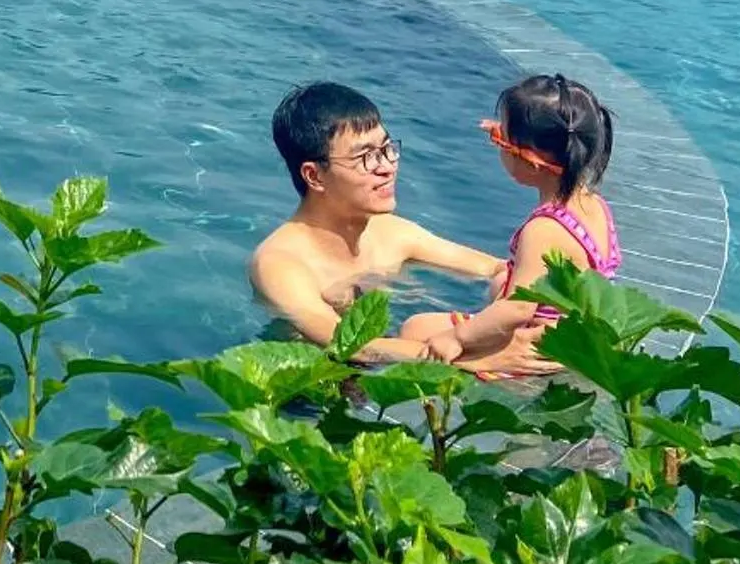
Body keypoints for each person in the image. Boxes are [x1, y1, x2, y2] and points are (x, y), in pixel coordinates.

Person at [249, 81, 505, 363]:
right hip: (314, 392)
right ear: (315, 176)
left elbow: (496, 268)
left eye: (386, 149)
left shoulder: (392, 233)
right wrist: (481, 359)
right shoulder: (280, 263)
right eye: (366, 157)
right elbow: (344, 343)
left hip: (393, 365)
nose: (386, 167)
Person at [399, 73, 620, 378]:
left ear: (531, 163)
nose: (497, 145)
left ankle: (481, 369)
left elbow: (518, 309)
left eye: (499, 139)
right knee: (501, 278)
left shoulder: (544, 229)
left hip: (536, 348)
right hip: (573, 337)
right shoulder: (593, 205)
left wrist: (457, 338)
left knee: (415, 329)